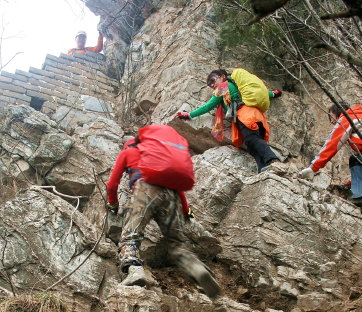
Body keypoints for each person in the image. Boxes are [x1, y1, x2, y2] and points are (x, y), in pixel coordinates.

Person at [106, 127, 221, 299]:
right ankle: (197, 268)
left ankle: (135, 272)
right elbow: (180, 191)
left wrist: (113, 204)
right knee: (176, 244)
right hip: (171, 195)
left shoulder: (127, 153)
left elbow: (112, 184)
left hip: (145, 189)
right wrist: (186, 210)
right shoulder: (158, 157)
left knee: (130, 237)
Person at [177, 69, 283, 174]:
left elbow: (209, 105)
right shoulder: (234, 86)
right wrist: (272, 94)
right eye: (209, 85)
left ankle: (273, 160)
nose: (212, 85)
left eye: (213, 80)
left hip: (245, 114)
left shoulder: (223, 87)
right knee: (251, 145)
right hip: (254, 114)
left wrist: (190, 115)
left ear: (223, 76)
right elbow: (261, 92)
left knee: (251, 139)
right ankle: (263, 168)